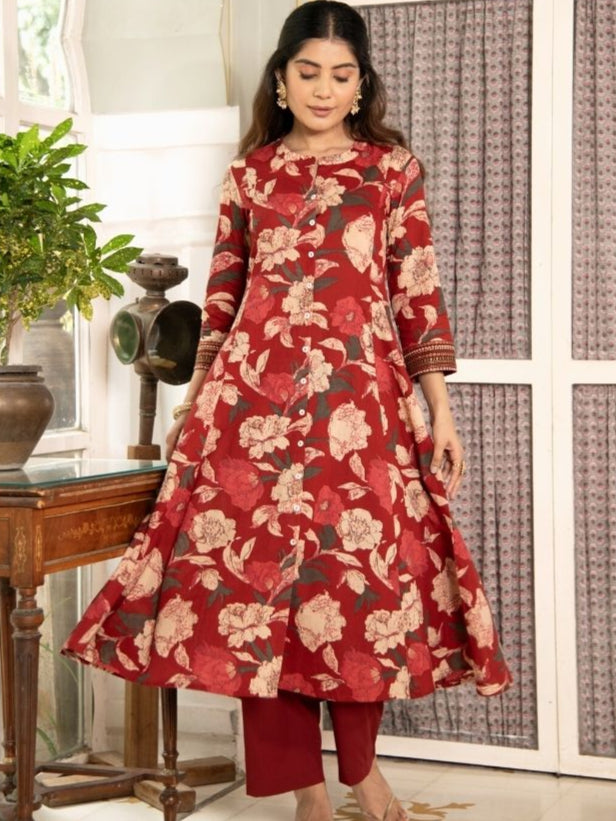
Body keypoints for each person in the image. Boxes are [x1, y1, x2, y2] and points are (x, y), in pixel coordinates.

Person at [63, 2, 512, 819]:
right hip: (251, 408)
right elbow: (223, 297)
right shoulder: (251, 177)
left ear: (361, 85)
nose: (324, 89)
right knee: (253, 596)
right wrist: (195, 400)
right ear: (280, 79)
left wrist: (440, 411)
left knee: (360, 593)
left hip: (360, 408)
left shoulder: (390, 172)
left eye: (342, 75)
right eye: (309, 72)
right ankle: (306, 790)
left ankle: (363, 773)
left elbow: (416, 294)